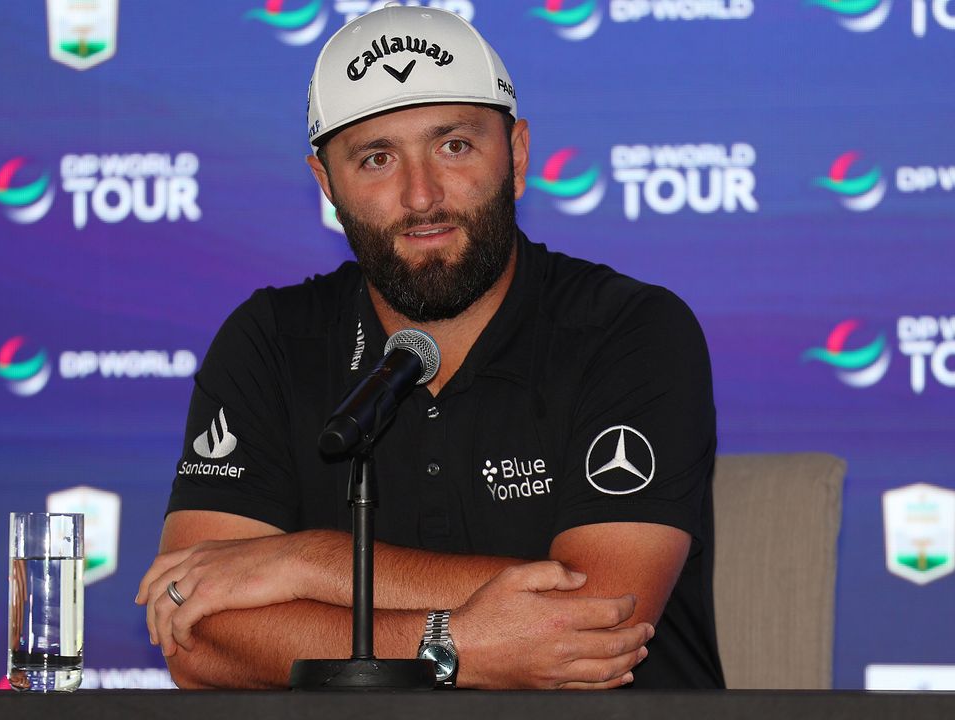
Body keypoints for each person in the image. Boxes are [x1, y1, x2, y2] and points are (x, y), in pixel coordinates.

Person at [136, 4, 723, 690]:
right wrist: (456, 644)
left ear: (519, 155)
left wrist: (308, 562)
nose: (422, 197)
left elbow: (597, 618)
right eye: (377, 158)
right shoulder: (269, 340)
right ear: (327, 186)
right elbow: (198, 637)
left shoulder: (632, 330)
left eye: (454, 145)